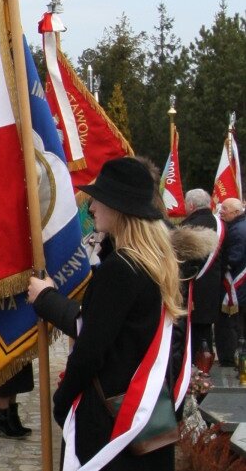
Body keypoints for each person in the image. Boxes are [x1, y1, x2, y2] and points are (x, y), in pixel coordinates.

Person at [28, 157, 184, 470]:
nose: (92, 207)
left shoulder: (121, 269)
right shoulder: (154, 264)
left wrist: (63, 404)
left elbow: (89, 351)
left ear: (119, 208)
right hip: (145, 416)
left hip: (112, 426)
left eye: (99, 199)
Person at [176, 189, 220, 361]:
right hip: (211, 285)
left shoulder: (192, 226)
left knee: (194, 334)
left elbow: (186, 260)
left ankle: (196, 368)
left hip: (194, 286)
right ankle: (204, 367)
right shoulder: (217, 222)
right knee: (204, 332)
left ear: (191, 205)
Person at [217, 197, 246, 363]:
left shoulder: (236, 230)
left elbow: (233, 259)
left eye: (225, 209)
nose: (221, 211)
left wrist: (221, 266)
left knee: (231, 324)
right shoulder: (239, 226)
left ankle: (230, 358)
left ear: (236, 212)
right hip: (241, 288)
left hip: (237, 287)